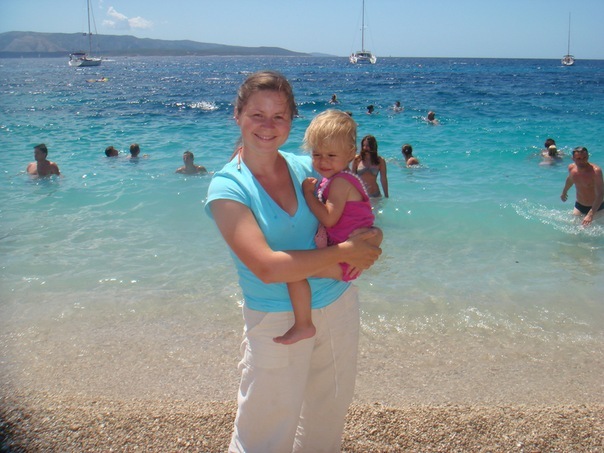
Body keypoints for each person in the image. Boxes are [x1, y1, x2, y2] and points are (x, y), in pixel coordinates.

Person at [205, 71, 382, 452]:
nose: (268, 126)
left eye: (279, 116)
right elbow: (268, 268)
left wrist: (370, 240)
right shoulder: (228, 188)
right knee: (263, 435)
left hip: (337, 304)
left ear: (291, 121)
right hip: (276, 319)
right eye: (257, 114)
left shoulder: (307, 168)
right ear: (237, 115)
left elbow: (355, 212)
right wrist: (345, 254)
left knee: (326, 422)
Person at [274, 109, 375, 346]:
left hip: (346, 261)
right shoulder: (341, 179)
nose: (323, 161)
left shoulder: (340, 183)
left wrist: (308, 194)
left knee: (293, 271)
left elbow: (329, 218)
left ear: (350, 153)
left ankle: (303, 325)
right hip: (350, 254)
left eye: (331, 155)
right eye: (316, 154)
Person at [560, 146, 604, 226]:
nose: (582, 161)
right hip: (579, 206)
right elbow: (570, 180)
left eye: (584, 158)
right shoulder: (571, 168)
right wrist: (564, 192)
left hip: (598, 207)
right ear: (573, 158)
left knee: (598, 231)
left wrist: (590, 214)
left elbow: (600, 194)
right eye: (578, 158)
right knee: (574, 228)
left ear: (588, 157)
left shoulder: (596, 171)